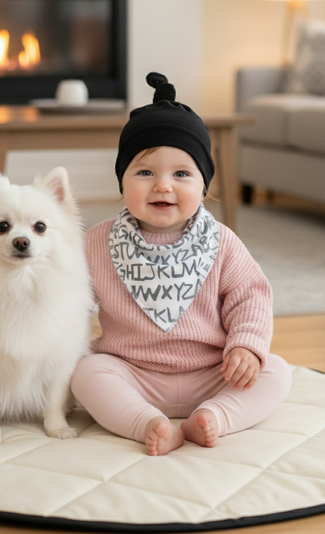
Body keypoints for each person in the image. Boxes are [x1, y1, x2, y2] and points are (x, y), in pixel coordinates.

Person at [71, 73, 292, 456]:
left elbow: (251, 297)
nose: (162, 185)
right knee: (85, 373)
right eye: (144, 172)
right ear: (122, 181)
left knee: (276, 371)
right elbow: (68, 300)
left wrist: (246, 347)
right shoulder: (97, 243)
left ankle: (215, 417)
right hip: (132, 371)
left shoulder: (221, 242)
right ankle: (145, 422)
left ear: (203, 185)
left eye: (181, 174)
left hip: (212, 372)